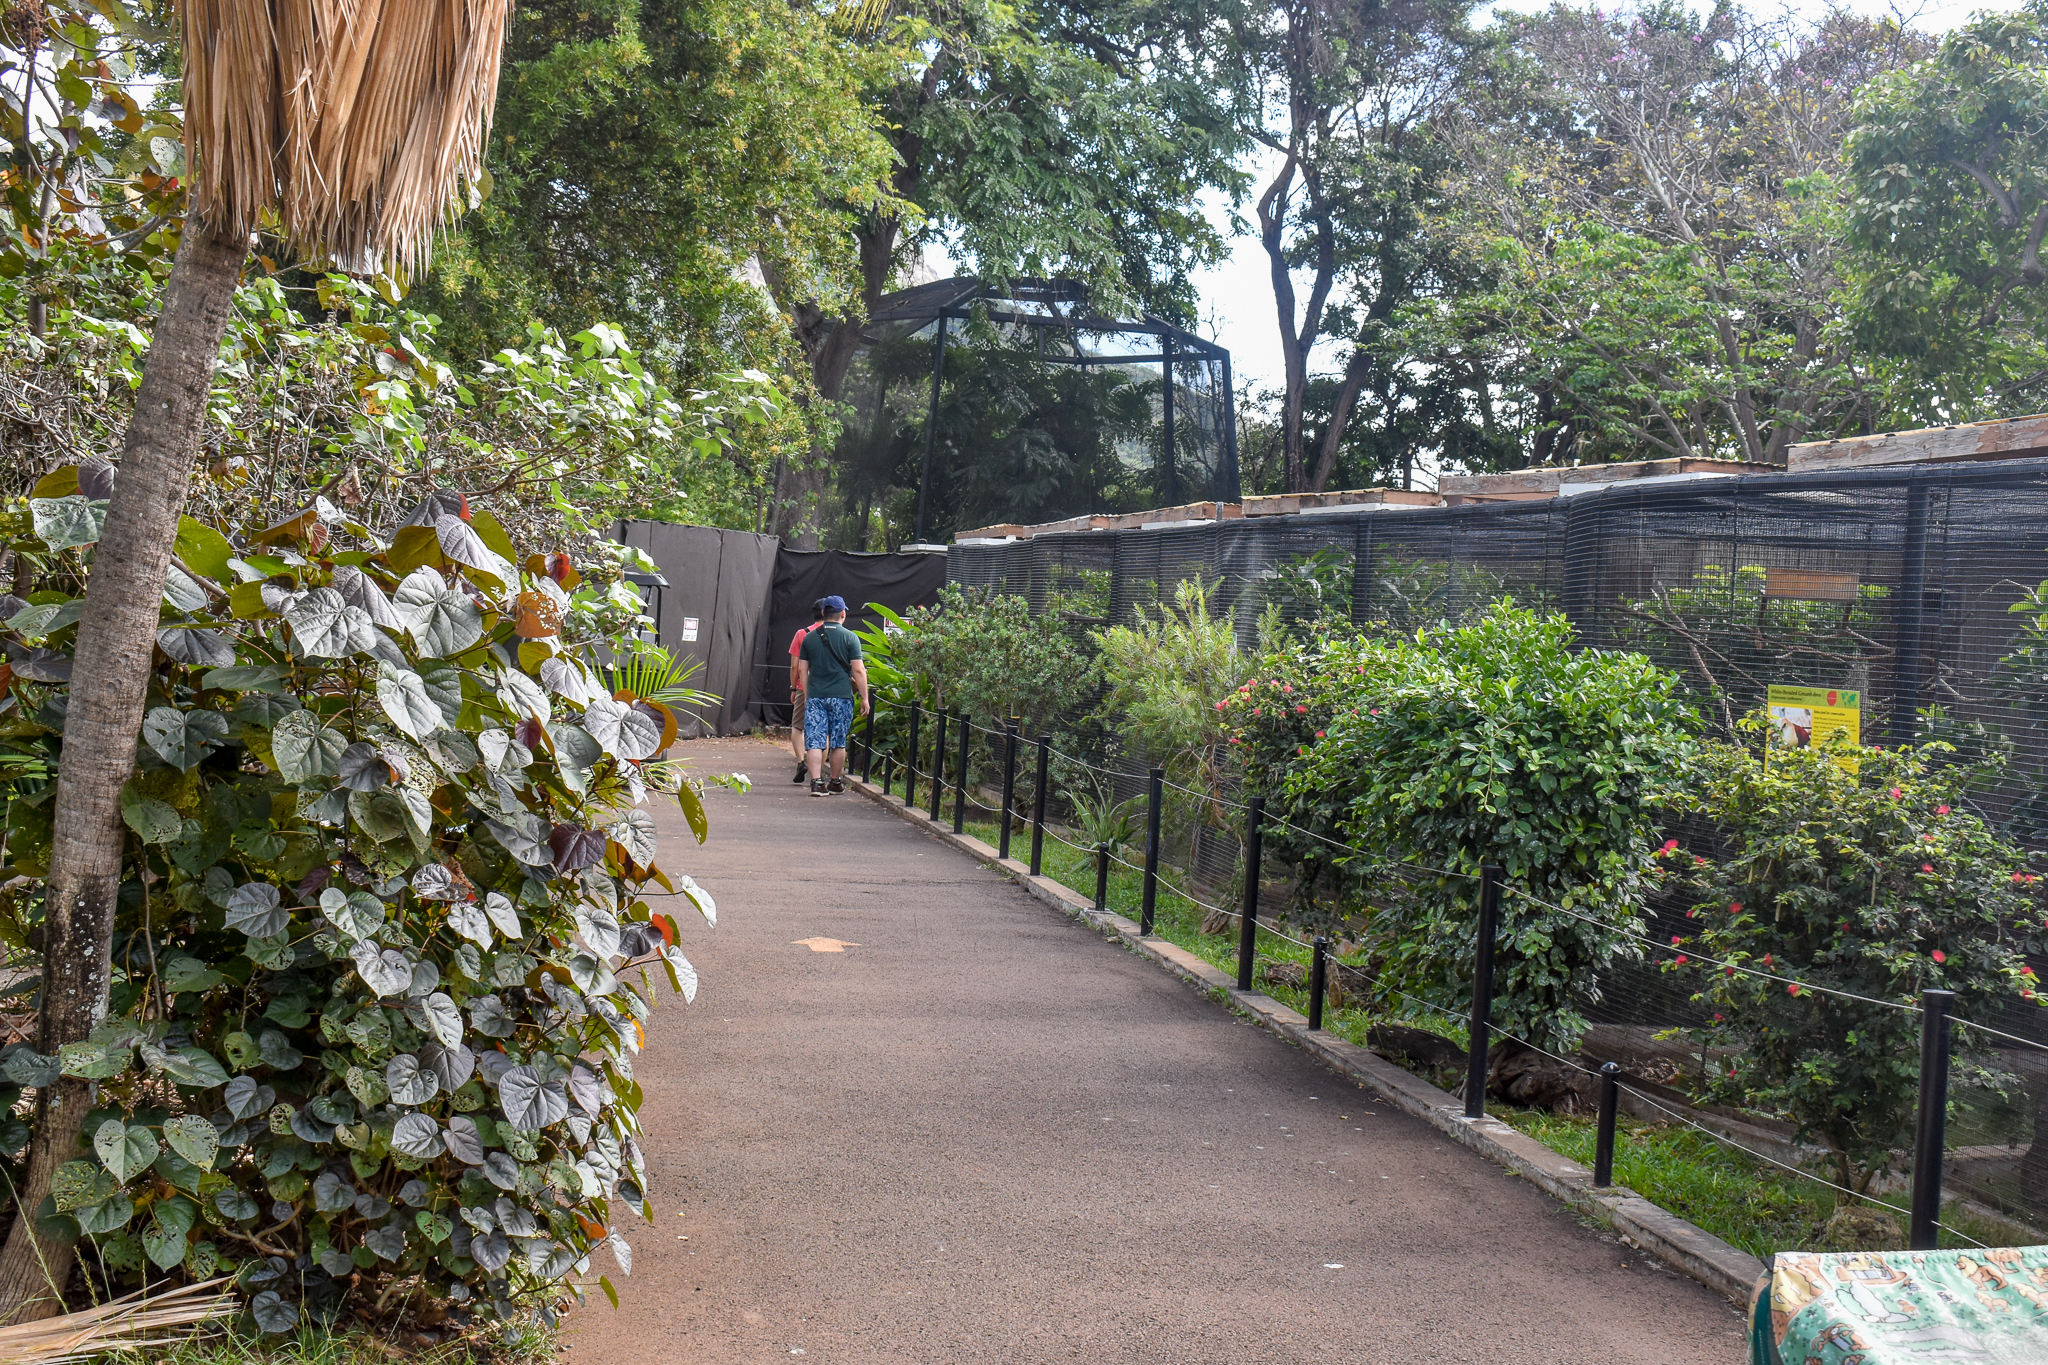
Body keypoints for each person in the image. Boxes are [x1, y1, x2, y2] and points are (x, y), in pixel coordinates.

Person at [795, 595, 869, 796]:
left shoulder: (809, 637)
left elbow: (802, 670)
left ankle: (817, 783)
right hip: (842, 697)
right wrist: (864, 697)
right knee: (837, 741)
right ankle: (835, 782)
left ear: (822, 614)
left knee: (815, 741)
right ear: (843, 614)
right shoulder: (850, 637)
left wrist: (809, 694)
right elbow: (859, 670)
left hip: (816, 696)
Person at [787, 600, 826, 783]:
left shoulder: (802, 634)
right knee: (824, 729)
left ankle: (801, 761)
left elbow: (795, 666)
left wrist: (794, 688)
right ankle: (817, 774)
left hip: (805, 687)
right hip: (826, 687)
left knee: (797, 726)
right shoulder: (836, 634)